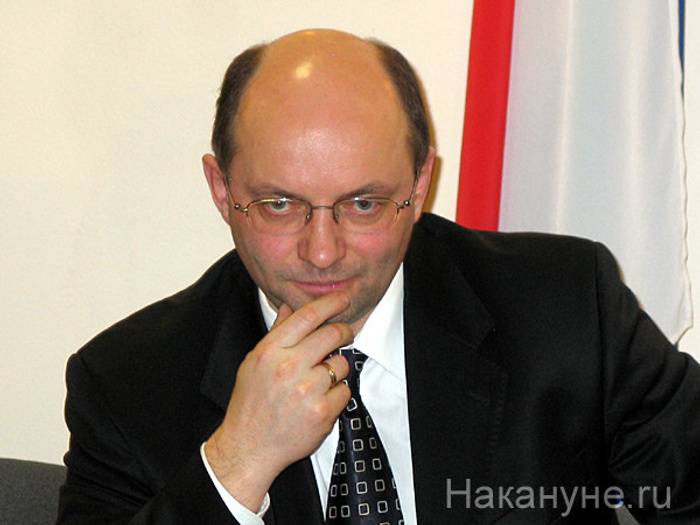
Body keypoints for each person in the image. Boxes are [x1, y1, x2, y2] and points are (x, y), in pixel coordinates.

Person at [57, 29, 700, 524]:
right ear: (222, 190)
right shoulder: (127, 384)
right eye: (280, 204)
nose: (322, 252)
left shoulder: (564, 309)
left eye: (363, 204)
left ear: (419, 186)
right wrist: (235, 464)